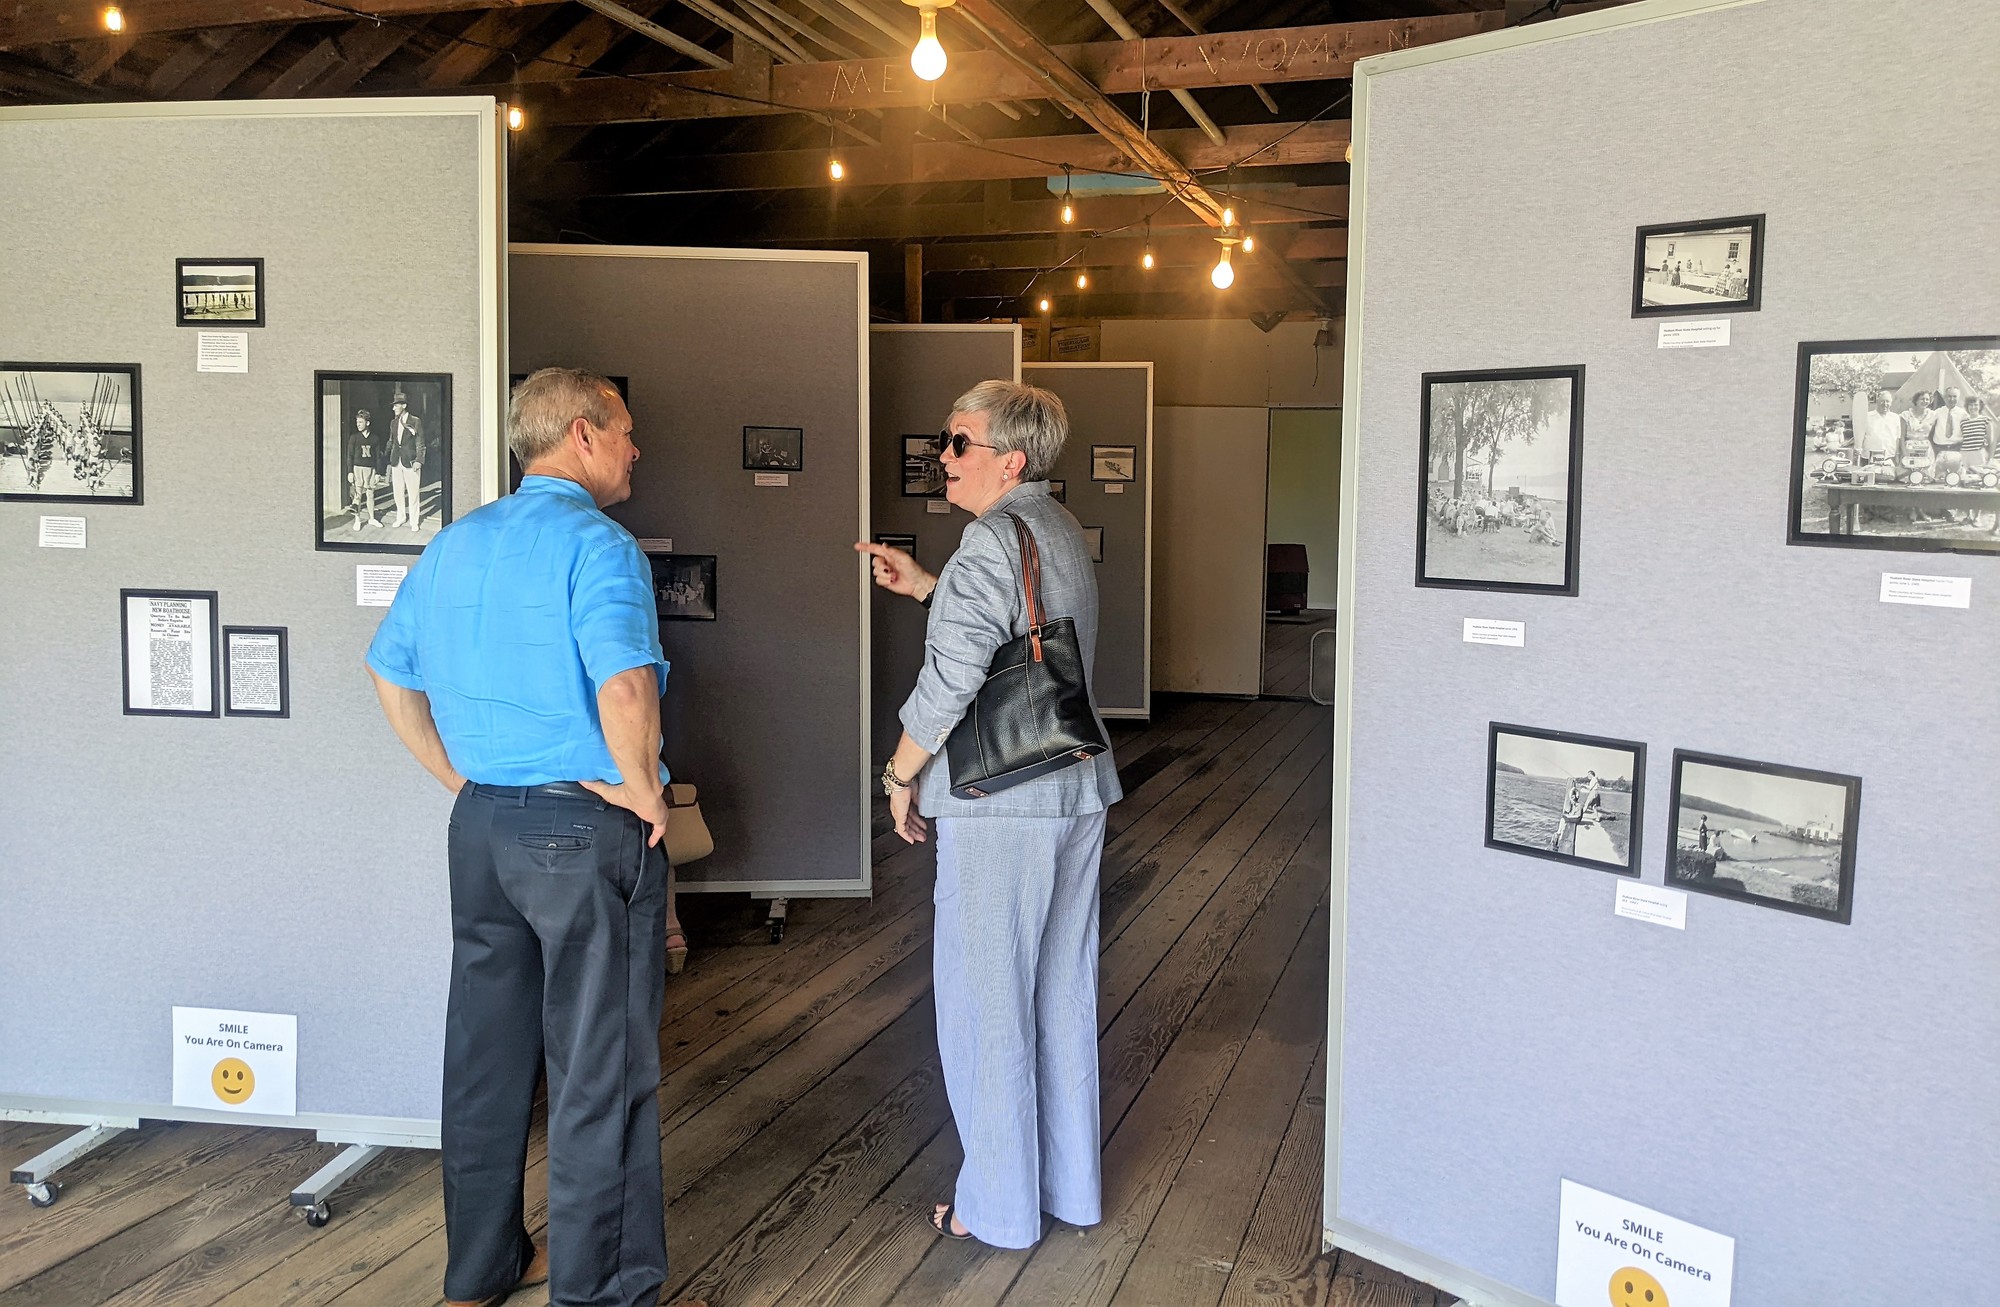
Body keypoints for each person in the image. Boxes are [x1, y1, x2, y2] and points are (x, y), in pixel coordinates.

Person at [365, 368, 701, 1307]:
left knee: (484, 1056)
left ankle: (479, 1271)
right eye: (628, 432)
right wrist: (646, 799)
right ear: (584, 435)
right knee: (603, 1068)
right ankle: (606, 1293)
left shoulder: (455, 543)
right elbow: (627, 687)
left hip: (480, 831)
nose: (637, 449)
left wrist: (463, 782)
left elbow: (391, 677)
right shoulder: (599, 546)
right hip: (581, 830)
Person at [854, 379, 1121, 1250]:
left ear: (1009, 458)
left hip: (1000, 801)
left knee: (986, 1003)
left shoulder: (986, 540)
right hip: (1072, 785)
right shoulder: (1053, 529)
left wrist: (897, 772)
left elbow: (955, 678)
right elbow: (1021, 636)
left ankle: (999, 1207)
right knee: (1059, 991)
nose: (944, 453)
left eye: (958, 441)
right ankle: (1069, 1186)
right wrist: (931, 585)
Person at [386, 388, 427, 532]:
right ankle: (401, 517)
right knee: (397, 491)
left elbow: (420, 442)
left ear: (403, 405)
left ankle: (414, 521)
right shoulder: (393, 422)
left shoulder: (415, 421)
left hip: (411, 462)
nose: (393, 408)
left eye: (396, 405)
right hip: (396, 461)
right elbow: (391, 442)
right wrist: (387, 460)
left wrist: (419, 460)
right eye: (393, 405)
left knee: (413, 492)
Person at [344, 408, 382, 531]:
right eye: (357, 422)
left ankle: (371, 518)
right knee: (358, 495)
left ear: (367, 423)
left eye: (360, 422)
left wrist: (378, 472)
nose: (358, 424)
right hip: (357, 469)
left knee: (370, 494)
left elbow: (378, 457)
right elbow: (349, 456)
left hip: (370, 469)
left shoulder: (375, 438)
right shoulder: (354, 438)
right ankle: (357, 520)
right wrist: (350, 471)